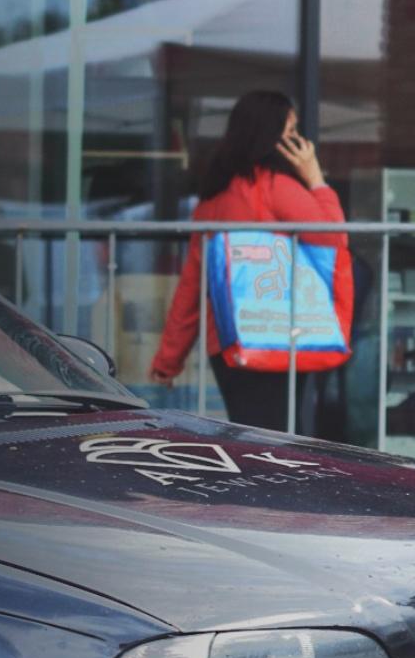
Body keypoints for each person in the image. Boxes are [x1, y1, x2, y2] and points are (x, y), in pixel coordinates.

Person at [150, 91, 353, 431]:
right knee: (276, 440)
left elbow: (192, 285)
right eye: (292, 132)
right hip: (277, 331)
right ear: (271, 135)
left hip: (228, 338)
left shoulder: (214, 197)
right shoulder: (275, 186)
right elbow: (333, 238)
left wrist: (169, 359)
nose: (301, 143)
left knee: (249, 434)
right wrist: (316, 179)